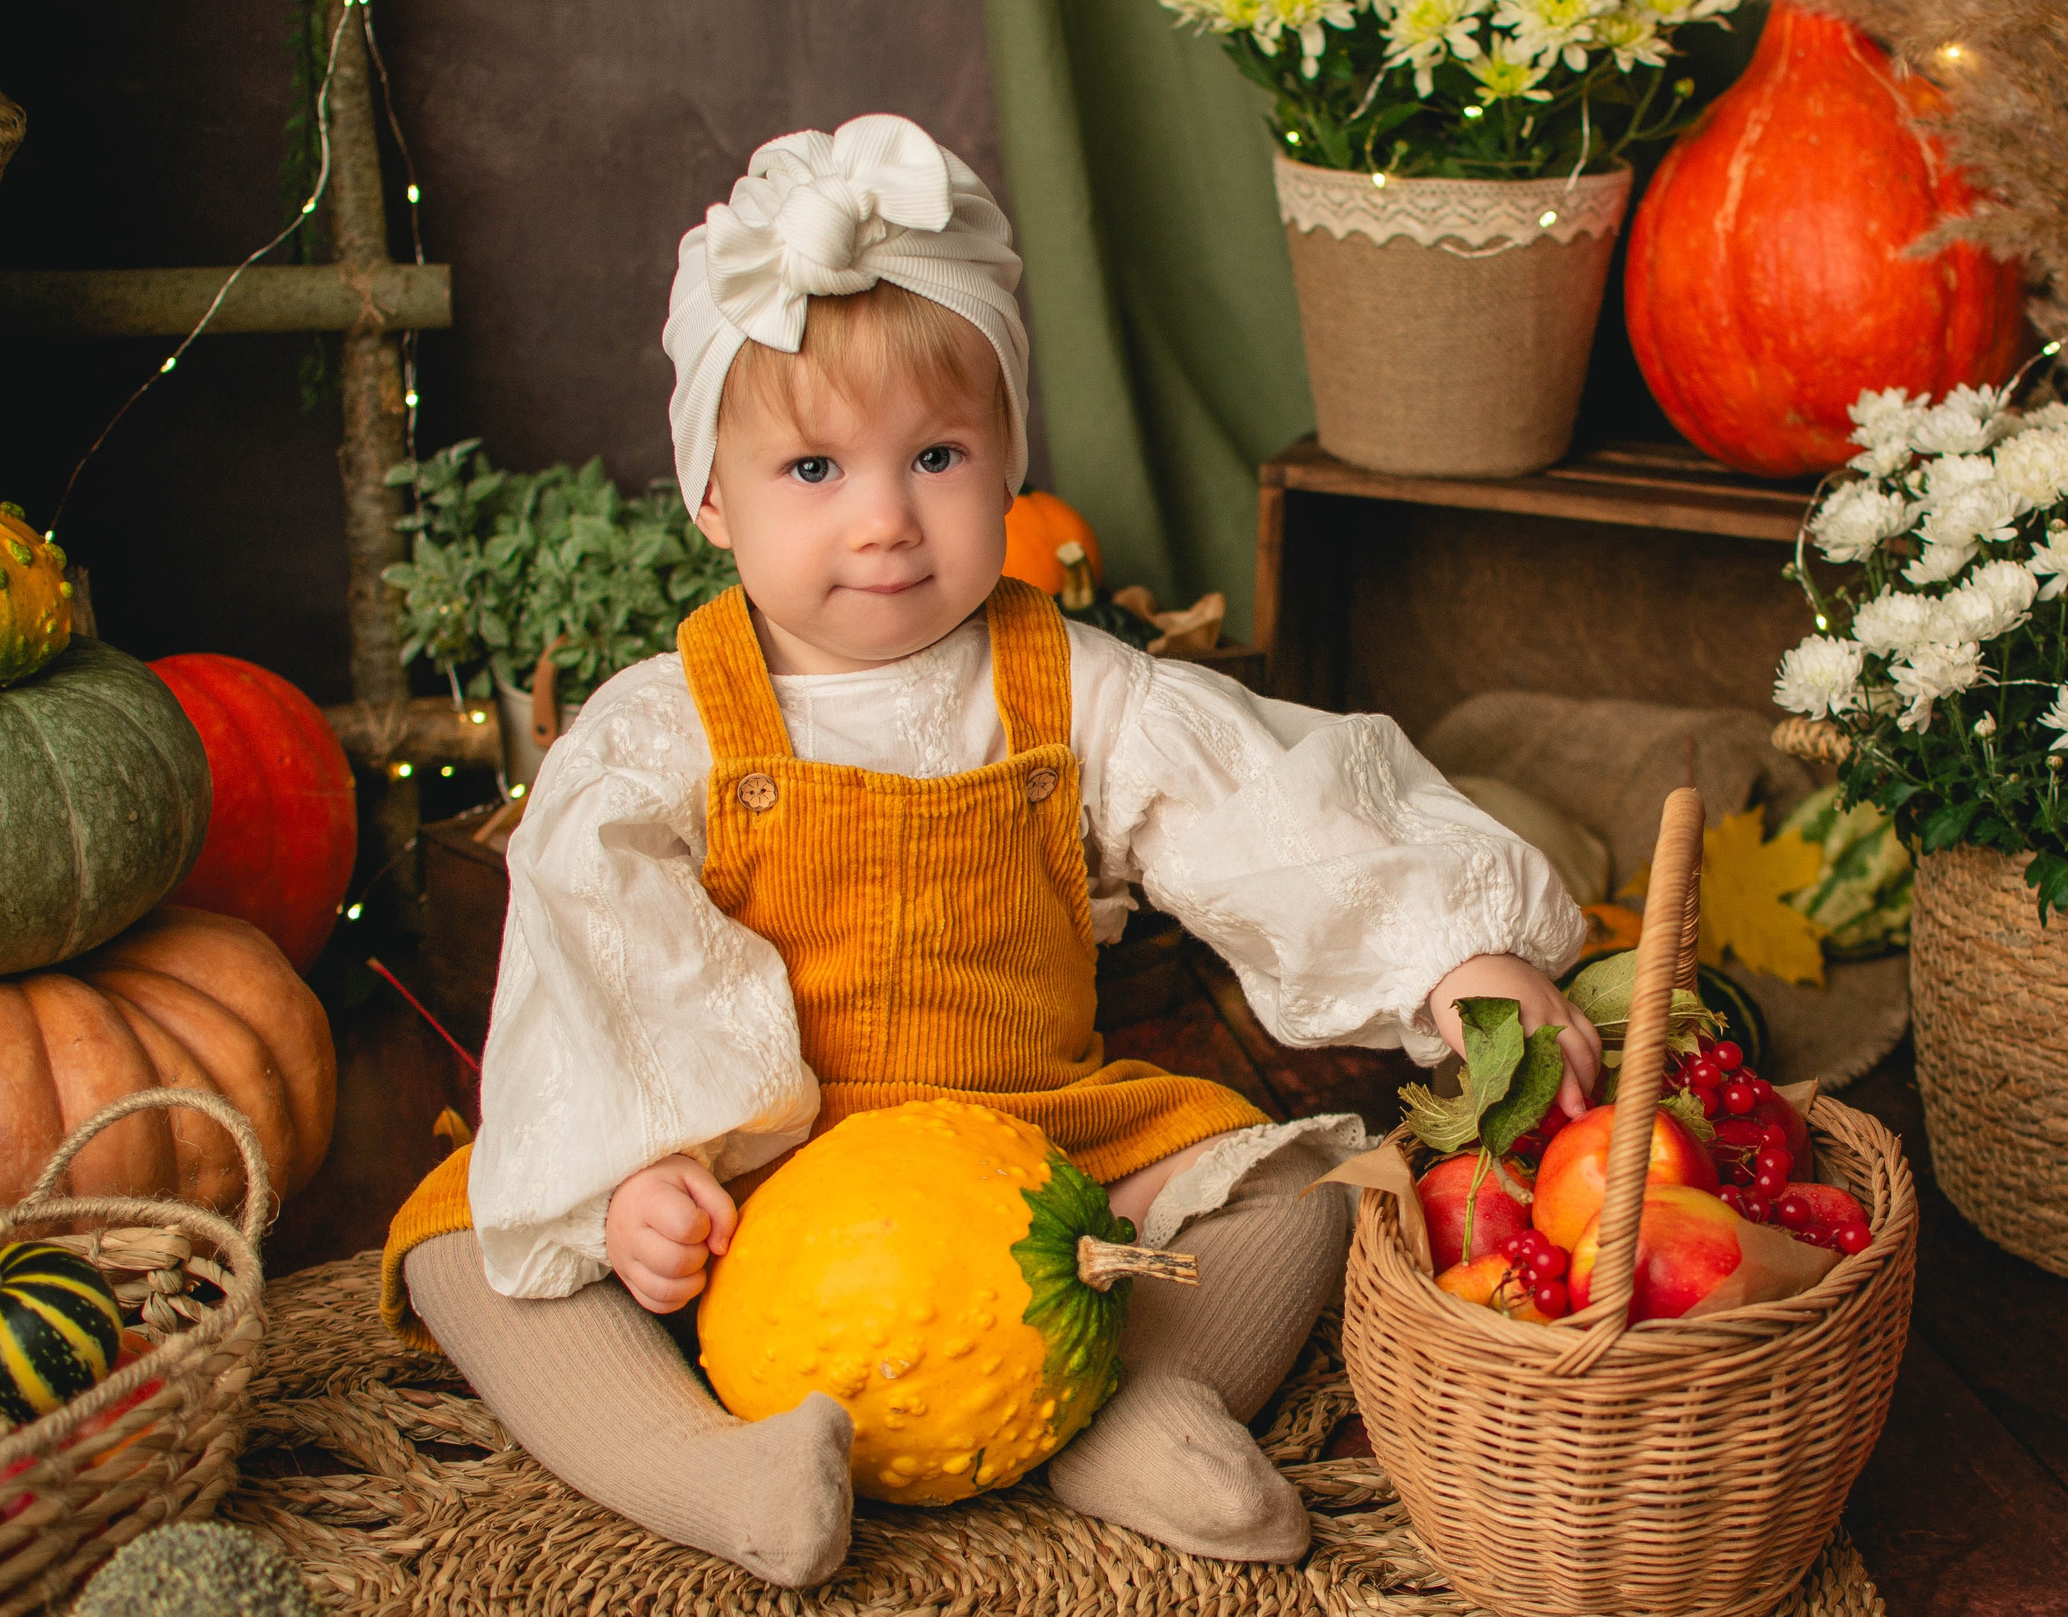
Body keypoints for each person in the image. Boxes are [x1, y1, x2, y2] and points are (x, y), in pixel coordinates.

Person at [378, 115, 1594, 1588]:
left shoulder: (1077, 687)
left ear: (1010, 456)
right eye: (813, 469)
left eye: (937, 456)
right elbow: (602, 960)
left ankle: (1137, 1398)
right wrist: (648, 1172)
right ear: (710, 493)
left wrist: (1450, 954)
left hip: (1041, 1158)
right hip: (766, 1184)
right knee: (471, 1245)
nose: (886, 522)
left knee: (1304, 1192)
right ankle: (706, 1465)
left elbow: (1266, 808)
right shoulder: (660, 732)